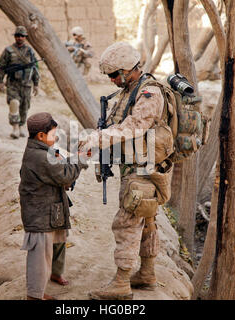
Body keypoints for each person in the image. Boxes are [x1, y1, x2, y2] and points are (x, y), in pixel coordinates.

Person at [79, 42, 172, 300]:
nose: (112, 80)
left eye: (115, 75)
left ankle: (121, 282)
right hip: (137, 165)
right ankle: (147, 274)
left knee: (127, 222)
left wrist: (97, 139)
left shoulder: (149, 93)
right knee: (147, 219)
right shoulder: (131, 89)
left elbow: (135, 126)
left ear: (130, 70)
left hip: (144, 169)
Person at [19, 112, 88, 300]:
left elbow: (59, 168)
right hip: (39, 214)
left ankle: (55, 274)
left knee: (58, 241)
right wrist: (80, 160)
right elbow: (65, 175)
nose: (56, 137)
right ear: (40, 136)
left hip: (51, 208)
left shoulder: (43, 150)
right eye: (53, 134)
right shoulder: (39, 156)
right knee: (40, 256)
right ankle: (34, 295)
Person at [0, 26, 40, 139]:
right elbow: (1, 67)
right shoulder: (8, 51)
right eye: (17, 36)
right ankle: (15, 127)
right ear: (15, 37)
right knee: (14, 103)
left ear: (25, 37)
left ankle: (21, 126)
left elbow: (35, 68)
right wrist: (0, 82)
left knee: (25, 107)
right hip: (13, 83)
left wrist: (36, 84)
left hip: (26, 84)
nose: (19, 38)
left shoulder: (30, 52)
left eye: (22, 36)